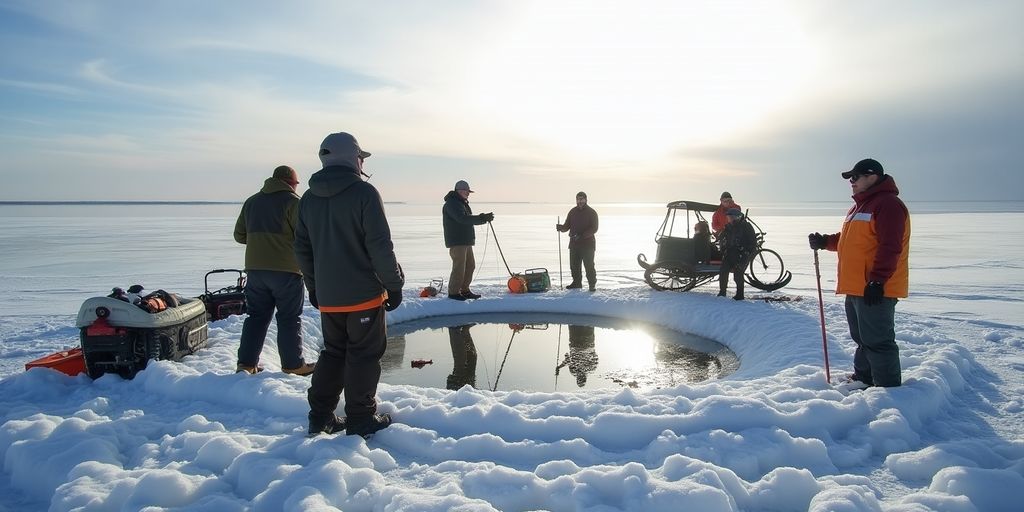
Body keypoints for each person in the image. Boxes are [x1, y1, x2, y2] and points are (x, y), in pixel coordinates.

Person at [295, 132, 405, 437]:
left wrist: (315, 287)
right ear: (350, 157)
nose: (361, 162)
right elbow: (380, 246)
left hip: (329, 297)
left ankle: (320, 416)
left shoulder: (307, 199)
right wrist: (393, 285)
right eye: (360, 157)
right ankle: (360, 417)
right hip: (363, 296)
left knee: (334, 353)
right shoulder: (364, 193)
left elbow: (302, 249)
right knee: (363, 355)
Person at [808, 158, 910, 390]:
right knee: (862, 339)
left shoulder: (888, 205)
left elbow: (890, 246)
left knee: (878, 341)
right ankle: (864, 378)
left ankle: (889, 390)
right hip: (857, 286)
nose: (851, 182)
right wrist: (826, 241)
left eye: (856, 177)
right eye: (850, 178)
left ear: (872, 176)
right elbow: (851, 242)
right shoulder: (860, 206)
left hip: (874, 287)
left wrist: (877, 280)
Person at [233, 165, 315, 376]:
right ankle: (293, 364)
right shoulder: (293, 202)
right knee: (289, 318)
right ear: (291, 183)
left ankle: (246, 364)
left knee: (256, 317)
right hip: (287, 270)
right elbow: (304, 236)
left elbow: (239, 235)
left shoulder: (252, 202)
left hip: (255, 271)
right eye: (296, 184)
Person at [442, 180, 493, 300]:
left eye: (469, 191)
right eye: (466, 191)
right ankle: (453, 292)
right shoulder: (452, 203)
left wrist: (482, 218)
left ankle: (464, 290)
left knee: (470, 266)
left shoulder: (461, 203)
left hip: (465, 240)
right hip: (457, 241)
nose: (468, 193)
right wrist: (481, 218)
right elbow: (462, 219)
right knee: (459, 267)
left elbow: (466, 219)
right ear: (459, 191)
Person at [555, 191, 599, 291]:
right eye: (578, 199)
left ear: (586, 200)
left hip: (588, 244)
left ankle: (592, 284)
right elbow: (567, 226)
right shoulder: (572, 212)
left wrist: (582, 236)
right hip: (574, 244)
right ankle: (577, 283)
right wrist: (561, 228)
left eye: (582, 199)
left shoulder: (592, 212)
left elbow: (594, 228)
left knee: (589, 265)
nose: (580, 201)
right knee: (574, 265)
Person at [717, 208, 756, 300]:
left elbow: (753, 242)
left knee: (738, 274)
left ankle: (740, 295)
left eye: (730, 217)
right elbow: (722, 239)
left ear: (736, 217)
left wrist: (747, 253)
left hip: (742, 254)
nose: (728, 219)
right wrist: (722, 247)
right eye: (728, 217)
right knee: (723, 272)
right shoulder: (728, 227)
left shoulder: (746, 226)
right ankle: (722, 292)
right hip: (729, 253)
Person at [446, 324, 478, 390]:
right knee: (472, 358)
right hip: (467, 386)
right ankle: (462, 330)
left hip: (458, 386)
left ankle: (456, 330)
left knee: (461, 361)